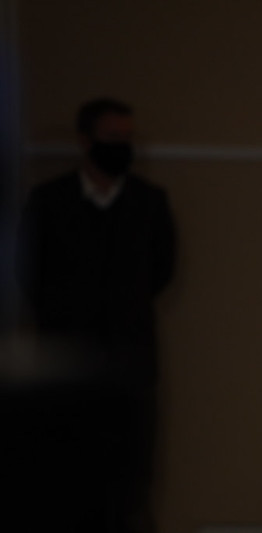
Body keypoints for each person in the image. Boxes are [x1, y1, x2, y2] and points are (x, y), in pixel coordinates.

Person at [14, 98, 175, 532]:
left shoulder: (148, 202)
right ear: (86, 141)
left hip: (131, 357)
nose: (121, 146)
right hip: (65, 359)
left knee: (131, 473)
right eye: (112, 138)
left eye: (127, 138)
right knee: (60, 473)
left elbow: (162, 269)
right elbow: (29, 272)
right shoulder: (49, 202)